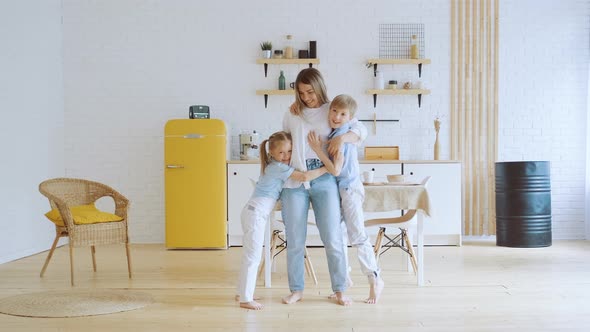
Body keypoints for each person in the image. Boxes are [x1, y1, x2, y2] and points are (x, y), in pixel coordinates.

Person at [281, 68, 367, 306]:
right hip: (295, 179)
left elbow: (360, 130)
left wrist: (340, 138)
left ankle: (340, 289)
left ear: (319, 87)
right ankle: (296, 289)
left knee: (332, 237)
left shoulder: (332, 110)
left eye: (310, 91)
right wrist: (291, 171)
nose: (307, 97)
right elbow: (285, 144)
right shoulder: (292, 113)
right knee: (295, 239)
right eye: (301, 93)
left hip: (324, 176)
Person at [236, 131, 327, 310]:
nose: (286, 156)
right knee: (253, 256)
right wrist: (327, 168)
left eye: (289, 151)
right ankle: (245, 299)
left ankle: (243, 292)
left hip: (254, 212)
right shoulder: (277, 167)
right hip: (255, 214)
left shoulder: (273, 164)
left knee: (250, 254)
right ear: (272, 153)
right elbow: (304, 177)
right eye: (281, 153)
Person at [308, 94, 384, 304]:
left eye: (342, 114)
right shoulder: (336, 132)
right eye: (334, 111)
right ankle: (345, 279)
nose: (337, 116)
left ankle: (375, 278)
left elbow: (336, 169)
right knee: (339, 236)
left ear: (350, 117)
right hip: (340, 189)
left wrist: (317, 148)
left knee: (357, 234)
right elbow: (330, 140)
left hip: (349, 188)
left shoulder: (348, 132)